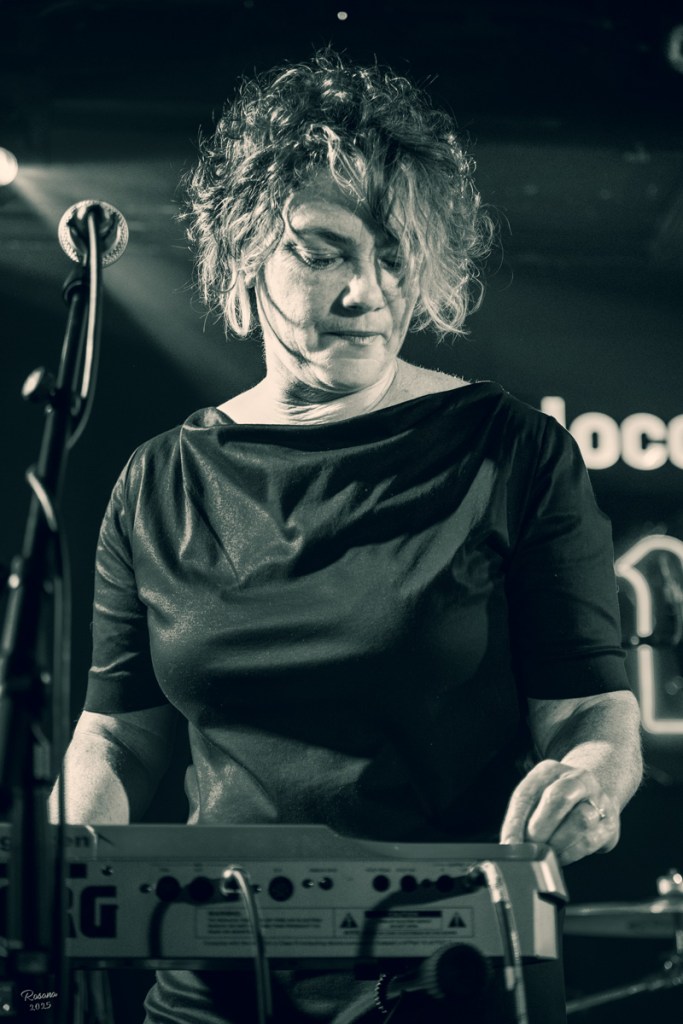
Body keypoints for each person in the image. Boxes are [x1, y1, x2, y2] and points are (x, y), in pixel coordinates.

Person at [52, 50, 642, 1024]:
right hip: (209, 987)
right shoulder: (159, 481)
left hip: (444, 978)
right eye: (324, 251)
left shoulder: (509, 451)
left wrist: (588, 781)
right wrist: (67, 851)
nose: (366, 290)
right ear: (245, 249)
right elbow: (115, 735)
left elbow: (590, 711)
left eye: (394, 257)